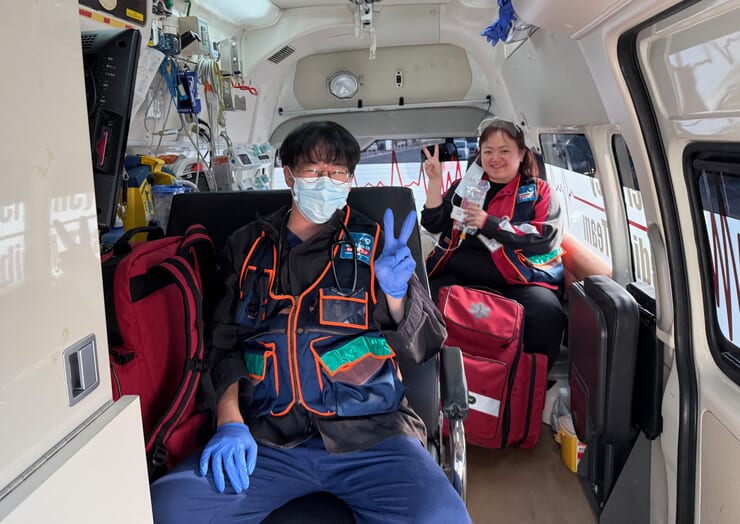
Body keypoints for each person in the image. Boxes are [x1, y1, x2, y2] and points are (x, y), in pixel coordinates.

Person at [150, 121, 471, 523]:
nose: (326, 182)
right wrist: (229, 421)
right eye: (314, 170)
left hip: (372, 435)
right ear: (289, 175)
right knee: (166, 509)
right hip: (267, 437)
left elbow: (425, 345)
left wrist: (395, 293)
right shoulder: (246, 247)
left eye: (337, 172)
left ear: (349, 180)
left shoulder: (375, 244)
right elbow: (222, 344)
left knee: (441, 518)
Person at [421, 120, 566, 367]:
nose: (495, 158)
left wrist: (488, 223)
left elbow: (546, 238)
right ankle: (436, 374)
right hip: (460, 274)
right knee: (421, 302)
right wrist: (435, 181)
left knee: (546, 313)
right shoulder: (466, 187)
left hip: (519, 279)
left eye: (504, 151)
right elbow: (434, 223)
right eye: (488, 151)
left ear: (521, 154)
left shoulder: (539, 192)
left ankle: (529, 379)